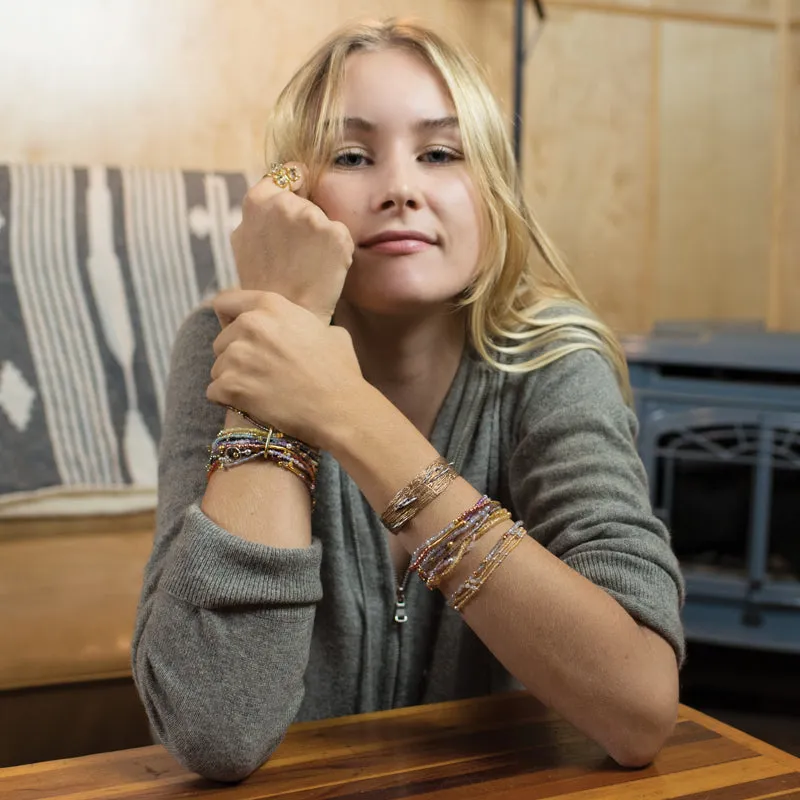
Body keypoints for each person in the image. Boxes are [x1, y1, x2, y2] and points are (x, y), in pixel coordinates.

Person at [131, 17, 685, 784]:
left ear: (491, 192)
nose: (399, 188)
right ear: (294, 196)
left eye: (441, 153)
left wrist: (349, 416)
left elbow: (639, 709)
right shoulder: (223, 340)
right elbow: (216, 732)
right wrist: (280, 329)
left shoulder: (554, 359)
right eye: (353, 156)